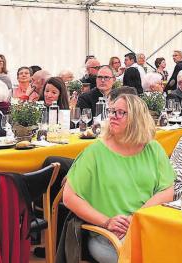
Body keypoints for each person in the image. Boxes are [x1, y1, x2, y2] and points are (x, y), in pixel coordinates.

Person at [62, 94, 174, 263]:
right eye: (112, 111)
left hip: (146, 229)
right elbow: (69, 197)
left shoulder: (153, 149)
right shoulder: (95, 152)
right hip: (109, 236)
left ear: (137, 118)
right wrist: (107, 222)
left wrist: (137, 217)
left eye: (121, 112)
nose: (113, 116)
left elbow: (167, 190)